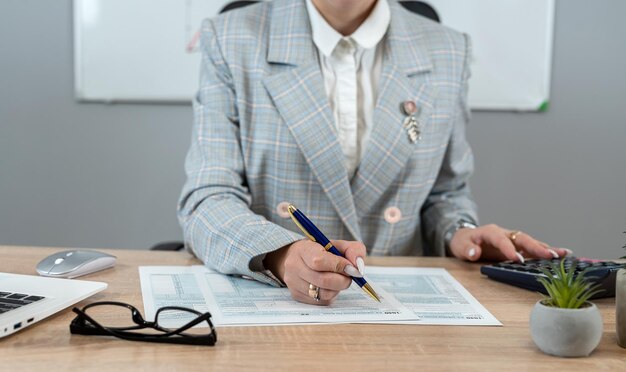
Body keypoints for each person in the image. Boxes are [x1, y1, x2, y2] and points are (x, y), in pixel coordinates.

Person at [178, 0, 568, 306]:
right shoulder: (231, 37)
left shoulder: (449, 49)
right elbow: (207, 199)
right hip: (274, 298)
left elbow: (444, 194)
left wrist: (459, 232)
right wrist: (280, 256)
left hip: (399, 305)